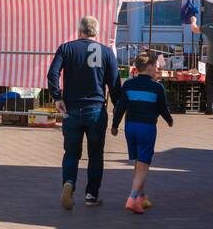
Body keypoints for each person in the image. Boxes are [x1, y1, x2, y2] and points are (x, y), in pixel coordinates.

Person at [47, 15, 121, 210]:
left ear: (79, 30)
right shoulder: (106, 52)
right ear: (96, 31)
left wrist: (57, 97)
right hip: (96, 109)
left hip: (71, 108)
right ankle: (91, 194)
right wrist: (118, 112)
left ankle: (69, 183)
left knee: (71, 152)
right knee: (96, 154)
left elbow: (53, 73)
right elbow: (114, 84)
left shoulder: (66, 48)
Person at [111, 51, 173, 214]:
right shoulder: (157, 87)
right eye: (155, 66)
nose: (157, 69)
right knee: (144, 164)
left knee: (139, 162)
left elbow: (120, 107)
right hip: (146, 127)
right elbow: (162, 108)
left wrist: (115, 125)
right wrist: (169, 120)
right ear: (149, 67)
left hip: (130, 127)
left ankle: (141, 196)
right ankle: (132, 198)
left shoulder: (128, 85)